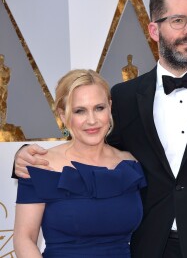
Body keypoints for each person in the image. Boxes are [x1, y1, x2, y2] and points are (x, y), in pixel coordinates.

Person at [14, 0, 187, 258]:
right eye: (178, 20)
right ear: (153, 29)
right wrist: (22, 155)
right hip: (149, 245)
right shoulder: (125, 97)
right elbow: (93, 149)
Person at [13, 69, 146, 258]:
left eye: (99, 108)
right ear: (62, 115)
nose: (92, 120)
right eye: (79, 111)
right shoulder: (40, 165)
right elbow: (24, 238)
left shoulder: (131, 163)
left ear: (110, 107)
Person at [0, 54, 11, 128]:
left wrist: (3, 84)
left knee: (3, 105)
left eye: (1, 60)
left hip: (3, 89)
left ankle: (3, 123)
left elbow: (7, 80)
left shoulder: (7, 69)